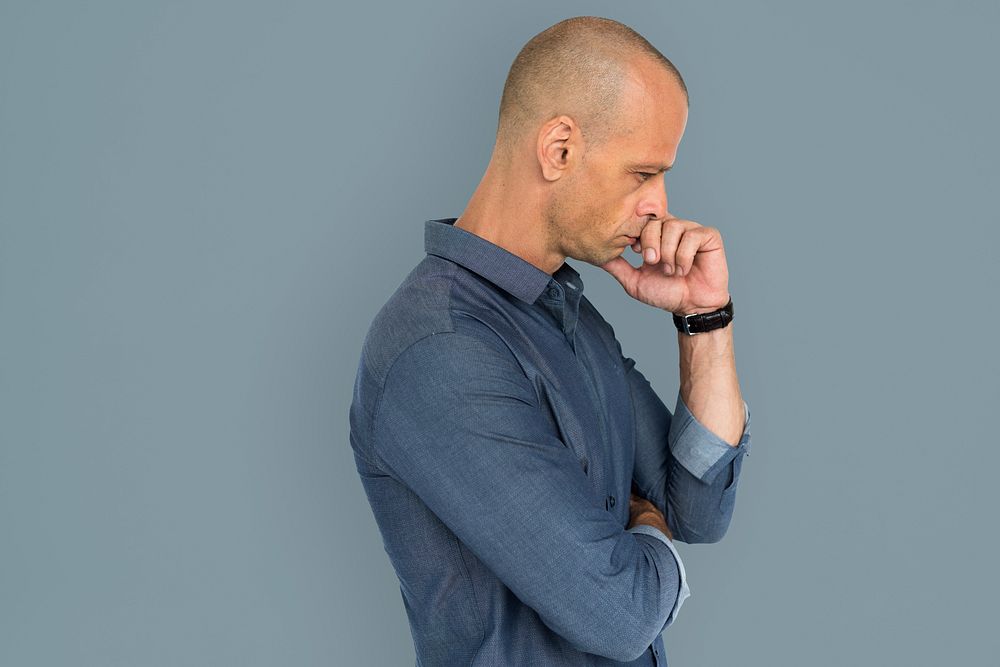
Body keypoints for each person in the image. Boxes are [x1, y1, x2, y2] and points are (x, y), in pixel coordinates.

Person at [349, 15, 752, 667]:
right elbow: (619, 614)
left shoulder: (569, 316)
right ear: (559, 148)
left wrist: (705, 320)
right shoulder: (439, 347)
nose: (661, 204)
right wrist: (648, 528)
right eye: (642, 174)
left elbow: (698, 508)